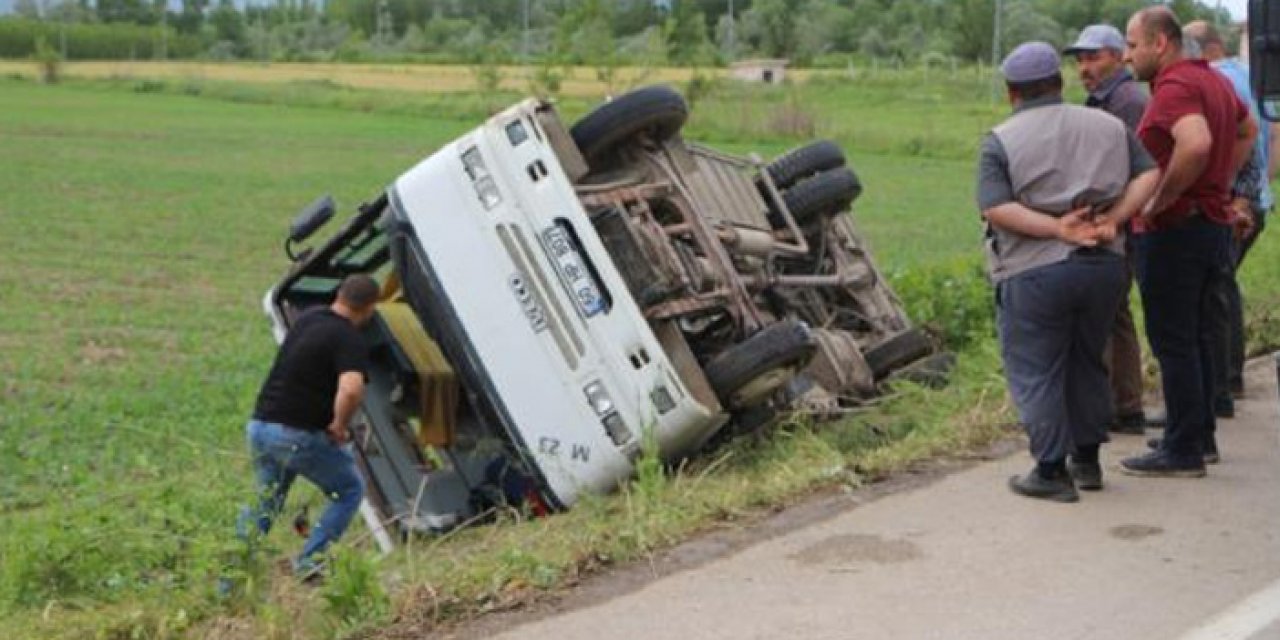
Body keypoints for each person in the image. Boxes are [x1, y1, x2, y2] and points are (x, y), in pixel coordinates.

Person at [977, 41, 1160, 502]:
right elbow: (1149, 175)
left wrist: (1058, 228)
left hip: (1033, 271)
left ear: (1011, 93)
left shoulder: (1002, 138)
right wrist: (1114, 219)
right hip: (1104, 266)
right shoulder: (1108, 125)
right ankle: (1088, 461)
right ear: (1058, 84)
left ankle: (1050, 470)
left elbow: (996, 207)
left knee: (1037, 367)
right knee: (1087, 360)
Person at [1120, 7, 1258, 477]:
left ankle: (1181, 452)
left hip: (1176, 231)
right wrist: (1220, 184)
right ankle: (1197, 436)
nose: (1127, 56)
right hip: (1210, 225)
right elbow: (1248, 130)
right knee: (1198, 335)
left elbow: (1195, 143)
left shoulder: (1176, 87)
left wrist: (1163, 197)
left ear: (1161, 43)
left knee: (1173, 340)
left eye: (1132, 44)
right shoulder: (1214, 80)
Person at [238, 274, 378, 577]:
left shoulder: (309, 319)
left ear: (339, 294)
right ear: (369, 309)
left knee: (266, 503)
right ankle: (310, 564)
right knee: (350, 489)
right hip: (296, 434)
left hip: (261, 426)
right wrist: (340, 425)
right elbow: (351, 388)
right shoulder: (348, 337)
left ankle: (231, 575)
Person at [1064, 24, 1151, 435]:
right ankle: (1124, 406)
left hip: (1119, 221)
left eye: (1093, 57)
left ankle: (1114, 406)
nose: (1084, 67)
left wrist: (1110, 215)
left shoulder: (1127, 100)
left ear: (1118, 56)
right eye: (1080, 60)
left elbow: (1129, 168)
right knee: (1114, 313)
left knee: (1105, 314)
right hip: (1113, 219)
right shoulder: (1105, 99)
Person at [1183, 20, 1271, 414]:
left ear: (1201, 50)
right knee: (1223, 287)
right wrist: (1261, 188)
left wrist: (1228, 191)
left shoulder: (1215, 80)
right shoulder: (1250, 75)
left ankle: (1222, 384)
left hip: (1233, 202)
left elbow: (1245, 132)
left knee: (1213, 294)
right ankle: (1227, 381)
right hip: (1254, 198)